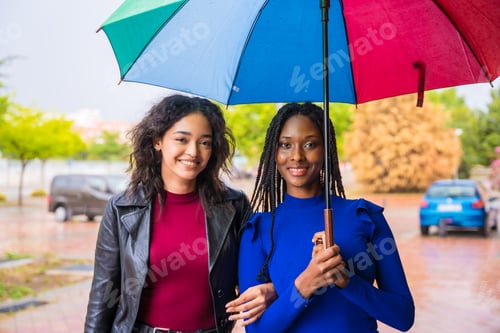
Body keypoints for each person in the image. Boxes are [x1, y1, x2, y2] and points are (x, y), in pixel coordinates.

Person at [84, 94, 275, 333]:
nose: (193, 152)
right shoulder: (123, 208)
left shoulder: (234, 205)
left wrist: (272, 288)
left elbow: (259, 273)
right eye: (182, 139)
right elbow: (104, 294)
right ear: (158, 141)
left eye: (204, 142)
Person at [228, 102, 415, 332]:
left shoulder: (365, 217)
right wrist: (304, 284)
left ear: (326, 149)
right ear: (273, 153)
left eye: (309, 144)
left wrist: (347, 281)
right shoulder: (258, 229)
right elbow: (257, 330)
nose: (296, 156)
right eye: (285, 145)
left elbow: (403, 316)